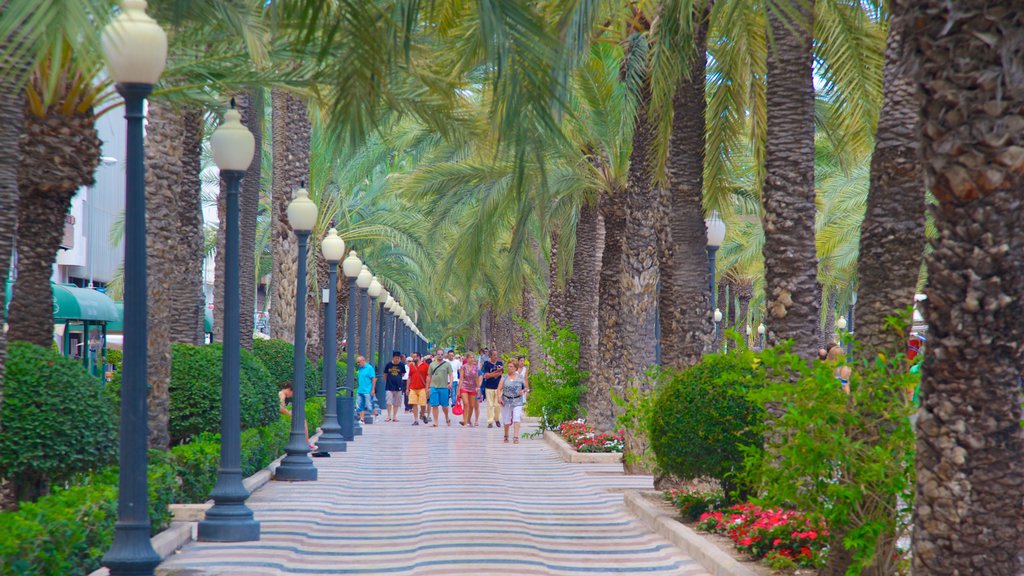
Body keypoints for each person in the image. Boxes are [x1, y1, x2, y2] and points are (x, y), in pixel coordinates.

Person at [497, 358, 527, 444]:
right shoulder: (504, 377)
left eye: (511, 366)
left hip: (517, 400)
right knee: (506, 420)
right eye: (508, 366)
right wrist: (499, 397)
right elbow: (499, 388)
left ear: (515, 368)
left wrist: (523, 391)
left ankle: (516, 437)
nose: (509, 368)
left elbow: (525, 387)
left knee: (516, 417)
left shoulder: (520, 378)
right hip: (506, 400)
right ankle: (506, 435)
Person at [278, 382, 316, 450]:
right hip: (282, 416)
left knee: (303, 420)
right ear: (289, 389)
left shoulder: (281, 394)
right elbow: (279, 408)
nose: (292, 395)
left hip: (283, 415)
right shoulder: (282, 395)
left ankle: (307, 443)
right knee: (303, 421)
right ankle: (307, 443)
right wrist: (289, 413)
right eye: (293, 392)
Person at [428, 350, 454, 427]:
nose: (440, 356)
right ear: (436, 355)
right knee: (435, 405)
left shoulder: (447, 364)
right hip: (434, 387)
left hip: (444, 387)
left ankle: (447, 417)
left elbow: (451, 374)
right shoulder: (432, 364)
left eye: (441, 354)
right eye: (438, 354)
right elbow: (429, 376)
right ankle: (435, 421)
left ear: (443, 355)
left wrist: (451, 383)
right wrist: (428, 386)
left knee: (444, 405)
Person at [481, 349, 504, 428]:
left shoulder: (500, 363)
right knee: (490, 405)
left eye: (496, 355)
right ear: (490, 356)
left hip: (498, 387)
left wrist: (492, 374)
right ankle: (490, 421)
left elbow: (501, 373)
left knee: (497, 405)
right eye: (494, 355)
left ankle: (497, 419)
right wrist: (496, 372)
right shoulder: (486, 364)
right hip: (489, 387)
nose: (496, 357)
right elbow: (486, 376)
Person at [382, 351, 406, 422]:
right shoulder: (388, 365)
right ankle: (388, 415)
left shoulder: (401, 365)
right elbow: (385, 374)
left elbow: (403, 374)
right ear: (393, 358)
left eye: (398, 358)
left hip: (398, 386)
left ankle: (394, 416)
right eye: (395, 358)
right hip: (389, 386)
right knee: (389, 401)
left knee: (397, 402)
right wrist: (388, 380)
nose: (397, 359)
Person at [406, 351, 429, 425]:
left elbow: (428, 377)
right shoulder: (411, 366)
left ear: (419, 357)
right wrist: (407, 388)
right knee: (414, 403)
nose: (414, 358)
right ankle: (416, 420)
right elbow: (409, 377)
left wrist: (427, 387)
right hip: (413, 387)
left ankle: (422, 414)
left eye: (415, 357)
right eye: (413, 357)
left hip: (422, 387)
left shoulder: (425, 365)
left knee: (423, 404)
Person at [459, 353, 481, 426]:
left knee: (472, 405)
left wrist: (478, 388)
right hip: (464, 386)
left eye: (473, 357)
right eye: (470, 357)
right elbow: (461, 378)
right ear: (467, 359)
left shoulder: (476, 367)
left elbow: (476, 378)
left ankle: (468, 419)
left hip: (472, 387)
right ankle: (465, 422)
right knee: (466, 403)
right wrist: (458, 389)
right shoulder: (463, 367)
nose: (472, 359)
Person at [355, 355, 377, 423]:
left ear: (363, 361)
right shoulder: (360, 368)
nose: (358, 364)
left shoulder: (369, 368)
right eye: (357, 362)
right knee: (360, 404)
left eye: (359, 362)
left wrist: (373, 389)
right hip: (360, 389)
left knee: (369, 404)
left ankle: (375, 413)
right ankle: (362, 419)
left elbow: (374, 378)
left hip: (367, 390)